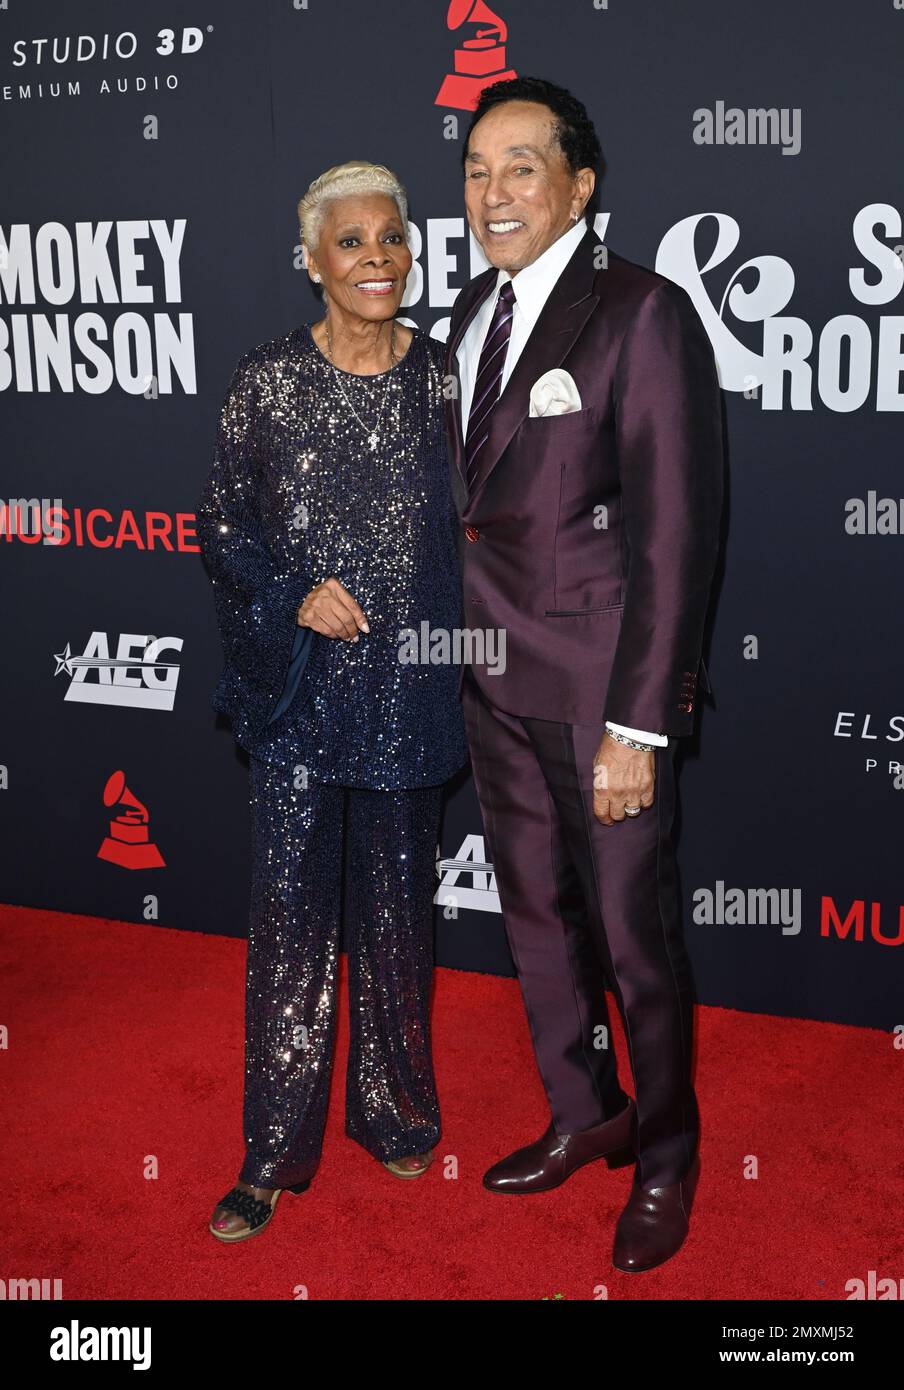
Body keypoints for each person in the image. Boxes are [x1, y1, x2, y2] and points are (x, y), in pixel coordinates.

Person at [444, 76, 724, 1272]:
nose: (492, 193)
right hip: (489, 682)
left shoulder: (642, 314)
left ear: (580, 183)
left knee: (633, 940)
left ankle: (665, 1156)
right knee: (535, 927)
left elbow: (675, 538)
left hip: (601, 696)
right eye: (474, 169)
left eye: (520, 167)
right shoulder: (467, 310)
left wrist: (640, 728)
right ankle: (582, 1109)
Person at [197, 160, 468, 1243]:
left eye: (391, 240)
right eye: (350, 242)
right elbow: (222, 525)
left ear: (412, 253)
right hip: (302, 701)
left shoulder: (443, 378)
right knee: (293, 927)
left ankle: (395, 1112)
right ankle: (272, 1151)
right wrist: (290, 594)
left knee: (402, 919)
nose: (375, 260)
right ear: (311, 261)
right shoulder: (264, 382)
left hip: (409, 693)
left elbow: (489, 521)